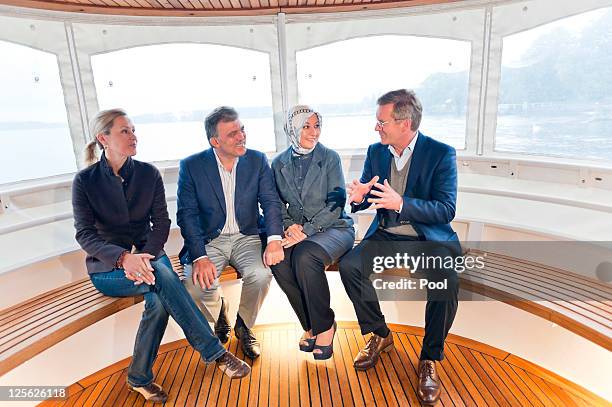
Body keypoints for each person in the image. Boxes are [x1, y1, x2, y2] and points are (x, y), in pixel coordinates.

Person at [72, 109, 250, 404]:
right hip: (108, 269)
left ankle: (139, 377)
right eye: (124, 132)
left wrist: (144, 254)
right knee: (164, 278)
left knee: (158, 296)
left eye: (133, 130)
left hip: (150, 255)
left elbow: (162, 223)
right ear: (103, 139)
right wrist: (123, 259)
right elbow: (85, 235)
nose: (133, 136)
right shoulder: (85, 181)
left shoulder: (147, 174)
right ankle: (216, 353)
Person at [339, 89, 460, 405]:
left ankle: (429, 358)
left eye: (381, 122)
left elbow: (446, 210)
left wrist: (403, 203)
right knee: (350, 267)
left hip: (426, 238)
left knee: (447, 281)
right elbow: (368, 193)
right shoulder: (376, 151)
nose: (376, 128)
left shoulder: (441, 153)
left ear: (404, 123)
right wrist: (359, 197)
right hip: (386, 235)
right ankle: (379, 334)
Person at [177, 106, 284, 360]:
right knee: (194, 285)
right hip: (209, 240)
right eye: (233, 134)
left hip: (246, 236)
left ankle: (244, 326)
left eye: (242, 129)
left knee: (261, 275)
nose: (242, 137)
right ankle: (220, 311)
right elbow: (187, 215)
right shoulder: (192, 166)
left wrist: (274, 240)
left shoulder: (257, 160)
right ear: (215, 141)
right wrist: (200, 257)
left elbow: (270, 202)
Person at [270, 105, 355, 360]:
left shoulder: (330, 158)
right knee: (279, 260)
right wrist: (288, 226)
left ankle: (325, 325)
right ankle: (310, 326)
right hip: (298, 231)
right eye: (306, 126)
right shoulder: (278, 163)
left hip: (334, 227)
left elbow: (336, 204)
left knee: (305, 256)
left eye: (316, 126)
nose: (313, 132)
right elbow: (274, 203)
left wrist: (305, 231)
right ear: (292, 129)